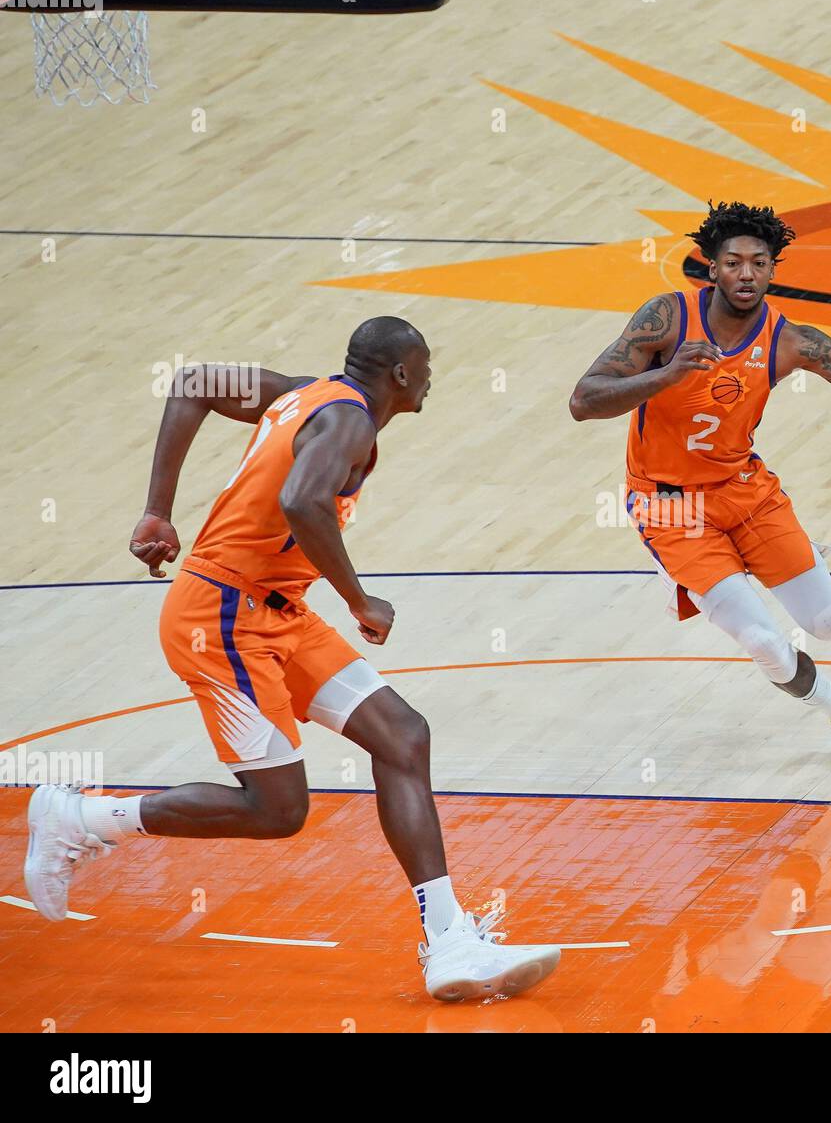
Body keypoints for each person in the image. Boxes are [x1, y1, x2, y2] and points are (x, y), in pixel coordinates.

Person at [23, 316, 559, 999]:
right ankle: (84, 820)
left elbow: (191, 383)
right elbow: (302, 501)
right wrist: (361, 600)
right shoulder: (350, 425)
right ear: (401, 374)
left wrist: (157, 511)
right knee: (277, 810)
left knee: (402, 735)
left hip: (277, 611)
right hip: (221, 618)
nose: (431, 378)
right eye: (426, 365)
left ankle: (449, 941)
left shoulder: (303, 394)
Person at [570, 201, 831, 771]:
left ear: (773, 270)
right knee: (761, 640)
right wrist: (667, 373)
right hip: (670, 507)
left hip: (746, 491)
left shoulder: (790, 340)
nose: (746, 274)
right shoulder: (666, 319)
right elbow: (583, 402)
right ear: (712, 267)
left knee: (824, 624)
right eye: (733, 262)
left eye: (759, 262)